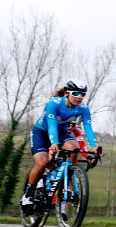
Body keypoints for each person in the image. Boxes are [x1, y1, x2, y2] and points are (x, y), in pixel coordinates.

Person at [21, 79, 100, 212]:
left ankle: (70, 173)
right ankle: (28, 194)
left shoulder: (83, 108)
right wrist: (54, 143)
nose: (79, 97)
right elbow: (52, 125)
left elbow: (88, 126)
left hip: (62, 133)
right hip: (42, 132)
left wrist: (94, 146)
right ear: (67, 93)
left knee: (75, 148)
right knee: (42, 163)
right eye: (75, 93)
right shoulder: (53, 104)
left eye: (82, 94)